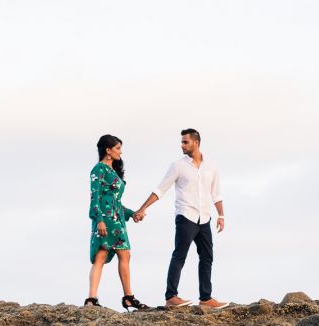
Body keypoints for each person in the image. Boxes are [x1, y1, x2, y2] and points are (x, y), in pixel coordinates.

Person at [134, 129, 230, 310]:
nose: (182, 145)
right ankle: (171, 296)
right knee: (180, 255)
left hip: (205, 218)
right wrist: (143, 208)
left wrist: (221, 216)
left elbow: (216, 193)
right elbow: (161, 189)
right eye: (182, 142)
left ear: (196, 142)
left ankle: (206, 298)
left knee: (207, 256)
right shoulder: (177, 166)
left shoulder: (212, 165)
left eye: (185, 142)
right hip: (186, 216)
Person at [85, 134, 149, 311]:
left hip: (117, 220)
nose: (120, 152)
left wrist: (132, 214)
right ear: (108, 150)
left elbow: (115, 202)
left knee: (125, 255)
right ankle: (91, 298)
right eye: (118, 148)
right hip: (104, 219)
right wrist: (98, 220)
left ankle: (128, 297)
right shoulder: (98, 170)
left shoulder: (114, 172)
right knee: (101, 255)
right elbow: (95, 198)